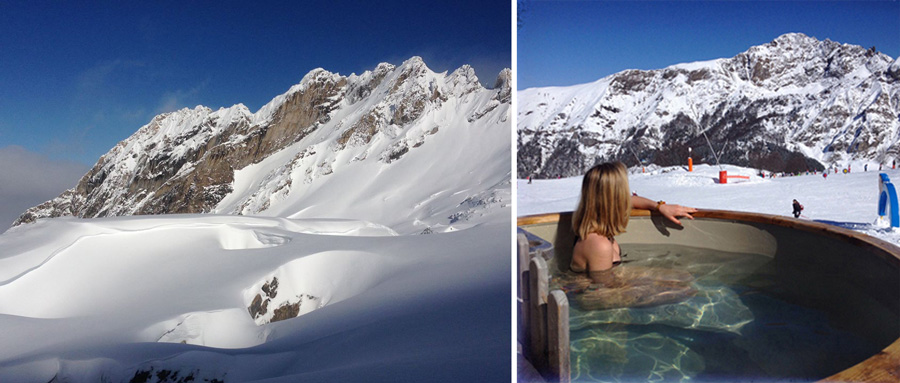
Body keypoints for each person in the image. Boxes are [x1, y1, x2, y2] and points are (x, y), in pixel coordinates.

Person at [563, 162, 698, 309]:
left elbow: (633, 200)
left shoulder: (597, 226)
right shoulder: (598, 244)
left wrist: (660, 207)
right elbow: (602, 292)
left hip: (611, 279)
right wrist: (650, 289)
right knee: (685, 291)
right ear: (613, 200)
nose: (628, 197)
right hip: (595, 295)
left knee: (684, 277)